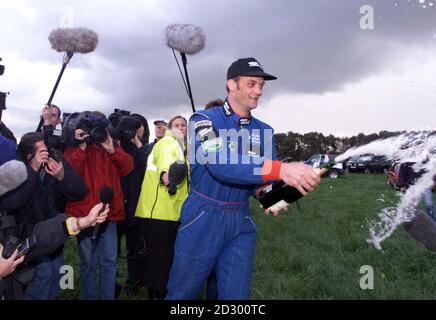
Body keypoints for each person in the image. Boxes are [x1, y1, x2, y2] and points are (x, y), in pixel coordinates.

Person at [166, 57, 320, 300]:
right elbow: (219, 163)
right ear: (232, 85)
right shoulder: (203, 120)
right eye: (251, 84)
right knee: (182, 294)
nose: (258, 91)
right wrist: (281, 169)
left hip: (240, 220)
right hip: (202, 217)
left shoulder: (264, 131)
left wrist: (277, 194)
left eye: (261, 85)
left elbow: (260, 185)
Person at [0, 132, 87, 300]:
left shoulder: (54, 165)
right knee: (44, 276)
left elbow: (80, 191)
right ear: (28, 155)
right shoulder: (18, 169)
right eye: (40, 151)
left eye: (45, 148)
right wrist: (32, 170)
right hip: (30, 237)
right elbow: (13, 203)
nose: (46, 153)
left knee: (56, 275)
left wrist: (62, 175)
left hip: (54, 232)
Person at [63, 111, 133, 300]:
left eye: (99, 128)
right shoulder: (74, 147)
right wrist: (82, 146)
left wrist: (111, 149)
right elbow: (71, 173)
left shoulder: (111, 146)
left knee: (110, 262)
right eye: (91, 129)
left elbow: (128, 168)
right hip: (85, 216)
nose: (95, 132)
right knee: (88, 262)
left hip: (109, 214)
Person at [135, 115, 189, 300]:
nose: (181, 128)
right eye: (177, 125)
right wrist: (167, 175)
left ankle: (159, 291)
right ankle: (157, 295)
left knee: (161, 258)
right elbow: (167, 160)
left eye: (184, 125)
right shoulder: (168, 142)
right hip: (160, 211)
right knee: (160, 259)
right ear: (170, 128)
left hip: (167, 211)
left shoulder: (182, 148)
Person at [116, 113, 150, 295]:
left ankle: (133, 283)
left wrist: (138, 143)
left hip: (136, 206)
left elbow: (148, 168)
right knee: (112, 250)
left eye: (138, 125)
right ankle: (111, 283)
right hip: (117, 206)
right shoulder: (116, 146)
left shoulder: (144, 148)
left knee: (134, 249)